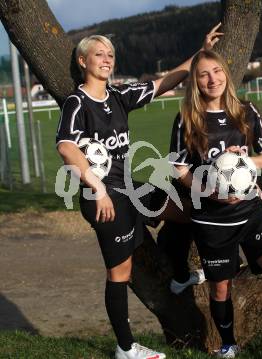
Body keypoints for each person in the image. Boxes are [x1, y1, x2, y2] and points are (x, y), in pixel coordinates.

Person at [55, 25, 222, 359]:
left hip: (129, 190)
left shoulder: (117, 97)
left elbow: (165, 82)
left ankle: (182, 275)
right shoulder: (77, 102)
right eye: (99, 54)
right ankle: (126, 347)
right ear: (83, 61)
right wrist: (97, 188)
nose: (106, 59)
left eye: (110, 55)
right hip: (104, 199)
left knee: (189, 209)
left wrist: (201, 51)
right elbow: (66, 148)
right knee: (120, 274)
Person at [169, 50, 262, 359]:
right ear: (196, 81)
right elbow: (179, 168)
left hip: (250, 213)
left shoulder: (246, 111)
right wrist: (209, 191)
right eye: (204, 74)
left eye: (217, 71)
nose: (212, 79)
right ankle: (228, 344)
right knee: (220, 289)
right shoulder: (186, 118)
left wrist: (243, 163)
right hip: (213, 220)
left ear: (226, 74)